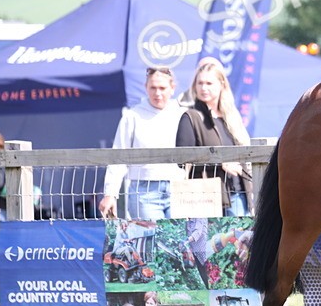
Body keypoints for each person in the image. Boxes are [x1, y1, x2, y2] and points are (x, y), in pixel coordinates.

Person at [99, 67, 184, 220]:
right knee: (150, 235)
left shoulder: (183, 114)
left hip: (180, 189)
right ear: (146, 87)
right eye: (153, 87)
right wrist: (110, 194)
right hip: (144, 192)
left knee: (182, 235)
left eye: (162, 88)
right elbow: (118, 156)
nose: (157, 93)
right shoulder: (132, 116)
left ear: (173, 88)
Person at [176, 57, 253, 217]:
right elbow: (182, 159)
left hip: (239, 193)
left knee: (242, 234)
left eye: (209, 83)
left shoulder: (231, 116)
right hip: (207, 197)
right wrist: (220, 162)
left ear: (221, 85)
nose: (204, 88)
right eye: (200, 83)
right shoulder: (190, 116)